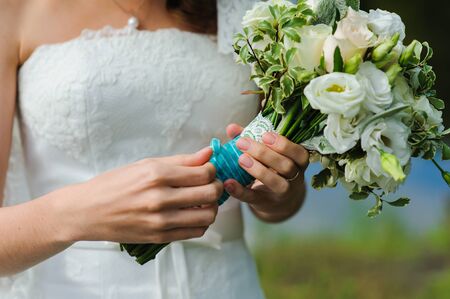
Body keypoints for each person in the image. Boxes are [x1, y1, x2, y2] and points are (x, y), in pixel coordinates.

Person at [0, 0, 309, 298]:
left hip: (225, 283)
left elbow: (281, 197)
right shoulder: (14, 10)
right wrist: (76, 213)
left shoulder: (252, 13)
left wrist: (279, 194)